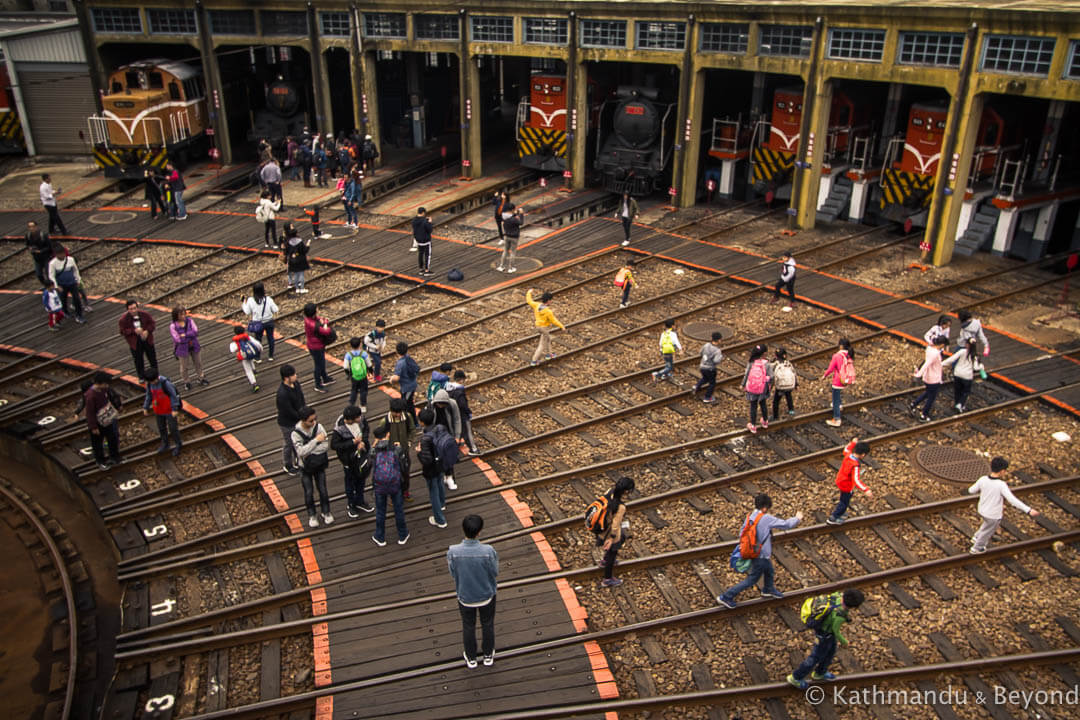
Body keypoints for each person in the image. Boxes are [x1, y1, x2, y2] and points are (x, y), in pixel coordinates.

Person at [717, 493, 803, 608]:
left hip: (753, 551)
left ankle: (768, 589)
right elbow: (786, 525)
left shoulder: (750, 516)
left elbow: (742, 532)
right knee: (752, 579)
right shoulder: (765, 518)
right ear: (764, 507)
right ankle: (726, 596)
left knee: (769, 570)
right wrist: (797, 518)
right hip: (760, 554)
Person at [786, 588, 865, 689]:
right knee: (815, 657)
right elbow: (836, 630)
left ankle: (820, 672)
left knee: (830, 652)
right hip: (824, 635)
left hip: (826, 634)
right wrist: (844, 641)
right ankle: (796, 677)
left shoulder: (837, 595)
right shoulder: (839, 615)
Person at [447, 514, 499, 668]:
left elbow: (453, 572)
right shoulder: (488, 551)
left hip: (465, 595)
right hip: (486, 594)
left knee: (468, 626)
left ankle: (471, 657)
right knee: (487, 624)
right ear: (479, 532)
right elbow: (495, 572)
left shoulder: (453, 552)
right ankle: (488, 654)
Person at [968, 457, 1040, 554]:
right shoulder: (1001, 485)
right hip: (993, 514)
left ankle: (976, 537)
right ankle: (977, 547)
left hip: (982, 509)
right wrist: (1028, 510)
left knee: (987, 524)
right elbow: (1012, 500)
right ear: (1002, 471)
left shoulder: (983, 479)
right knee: (988, 530)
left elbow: (971, 490)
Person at [292, 406, 333, 527]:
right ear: (303, 421)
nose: (314, 422)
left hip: (319, 464)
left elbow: (325, 445)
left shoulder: (319, 427)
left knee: (323, 490)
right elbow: (300, 452)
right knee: (308, 492)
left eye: (315, 419)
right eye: (311, 420)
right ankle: (312, 515)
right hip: (305, 467)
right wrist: (315, 441)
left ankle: (326, 512)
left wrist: (309, 450)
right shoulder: (296, 434)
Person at [370, 423, 409, 546]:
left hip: (379, 485)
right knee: (398, 509)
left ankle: (380, 537)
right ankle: (403, 535)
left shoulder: (374, 451)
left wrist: (373, 445)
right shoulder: (395, 449)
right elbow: (404, 466)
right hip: (395, 483)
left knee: (381, 511)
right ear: (388, 434)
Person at [332, 405, 372, 517]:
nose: (360, 418)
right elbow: (334, 445)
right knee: (350, 483)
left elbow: (366, 429)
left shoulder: (361, 420)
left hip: (362, 456)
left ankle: (360, 501)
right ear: (349, 419)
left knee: (361, 479)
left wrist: (363, 441)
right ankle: (351, 504)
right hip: (349, 460)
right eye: (357, 418)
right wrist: (352, 442)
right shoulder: (339, 429)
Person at [594, 476, 634, 587]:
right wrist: (611, 538)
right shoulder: (620, 507)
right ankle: (607, 578)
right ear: (626, 491)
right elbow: (616, 524)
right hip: (610, 531)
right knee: (613, 552)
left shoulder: (609, 492)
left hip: (602, 526)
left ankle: (605, 560)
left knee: (623, 537)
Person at [378, 397, 416, 500]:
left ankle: (405, 492)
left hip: (404, 451)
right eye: (396, 412)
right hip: (390, 455)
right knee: (393, 475)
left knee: (406, 473)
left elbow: (412, 430)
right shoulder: (385, 421)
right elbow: (379, 437)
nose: (398, 415)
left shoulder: (407, 417)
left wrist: (409, 442)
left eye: (400, 412)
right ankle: (394, 495)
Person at [83, 371, 123, 471]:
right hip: (98, 423)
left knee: (112, 438)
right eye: (105, 383)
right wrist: (93, 427)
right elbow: (90, 413)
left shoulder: (103, 390)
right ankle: (100, 461)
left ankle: (115, 457)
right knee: (97, 443)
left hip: (106, 420)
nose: (107, 385)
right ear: (100, 383)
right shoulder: (91, 396)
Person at [826, 438, 871, 524]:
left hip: (840, 480)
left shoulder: (848, 455)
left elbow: (846, 449)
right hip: (846, 485)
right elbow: (856, 480)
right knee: (844, 502)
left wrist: (853, 443)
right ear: (863, 455)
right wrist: (866, 489)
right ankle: (833, 518)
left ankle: (840, 513)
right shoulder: (855, 466)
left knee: (845, 497)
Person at [417, 408, 448, 528]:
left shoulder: (425, 438)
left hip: (431, 469)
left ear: (422, 422)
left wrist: (419, 452)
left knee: (433, 492)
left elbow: (426, 460)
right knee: (440, 483)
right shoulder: (440, 428)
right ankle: (442, 503)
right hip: (441, 463)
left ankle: (440, 520)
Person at [142, 368, 182, 456]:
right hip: (158, 410)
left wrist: (174, 408)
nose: (154, 382)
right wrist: (146, 407)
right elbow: (149, 395)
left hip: (169, 410)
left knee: (173, 428)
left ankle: (178, 444)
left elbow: (173, 395)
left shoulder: (165, 383)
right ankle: (165, 443)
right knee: (161, 428)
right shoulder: (149, 384)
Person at [276, 364, 306, 475]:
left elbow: (301, 398)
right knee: (289, 443)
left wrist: (304, 411)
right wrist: (301, 417)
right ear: (286, 377)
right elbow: (287, 411)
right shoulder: (282, 394)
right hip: (287, 423)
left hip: (298, 418)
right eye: (293, 375)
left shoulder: (296, 384)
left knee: (298, 441)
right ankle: (287, 464)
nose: (295, 376)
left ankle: (299, 460)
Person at [910, 335, 947, 421]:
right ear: (942, 344)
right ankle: (924, 414)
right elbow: (927, 364)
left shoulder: (929, 349)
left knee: (928, 392)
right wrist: (918, 374)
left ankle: (914, 404)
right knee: (931, 398)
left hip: (928, 377)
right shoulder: (935, 353)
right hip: (933, 379)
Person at [943, 337, 985, 412]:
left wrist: (941, 364)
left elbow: (951, 359)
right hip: (967, 376)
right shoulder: (975, 356)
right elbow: (976, 368)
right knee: (965, 392)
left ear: (967, 345)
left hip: (957, 373)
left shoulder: (962, 351)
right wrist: (981, 367)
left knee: (957, 390)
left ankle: (957, 403)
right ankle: (960, 404)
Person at [170, 306, 208, 390]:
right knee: (184, 366)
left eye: (184, 314)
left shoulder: (190, 321)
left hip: (193, 345)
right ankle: (186, 381)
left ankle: (201, 377)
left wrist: (185, 335)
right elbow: (177, 339)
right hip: (182, 348)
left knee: (198, 362)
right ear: (176, 316)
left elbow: (196, 331)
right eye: (181, 315)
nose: (183, 316)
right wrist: (189, 335)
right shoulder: (173, 326)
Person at [526, 289, 567, 366]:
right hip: (544, 328)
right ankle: (534, 360)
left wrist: (529, 292)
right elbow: (554, 320)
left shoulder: (537, 305)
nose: (551, 301)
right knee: (542, 344)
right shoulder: (548, 311)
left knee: (547, 339)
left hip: (538, 326)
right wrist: (562, 326)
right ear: (548, 301)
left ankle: (549, 355)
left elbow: (529, 301)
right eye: (551, 300)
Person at [119, 300, 158, 381]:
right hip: (135, 342)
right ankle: (141, 376)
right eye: (131, 309)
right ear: (127, 310)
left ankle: (155, 374)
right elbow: (122, 331)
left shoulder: (145, 314)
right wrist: (133, 331)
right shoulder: (123, 319)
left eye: (134, 308)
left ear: (137, 307)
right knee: (138, 360)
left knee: (152, 357)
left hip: (147, 339)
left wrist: (147, 331)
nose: (133, 311)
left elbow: (152, 324)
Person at [431, 387, 462, 490]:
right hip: (436, 434)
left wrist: (457, 436)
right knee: (438, 456)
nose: (440, 406)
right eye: (439, 404)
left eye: (442, 404)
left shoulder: (452, 404)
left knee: (448, 456)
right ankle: (443, 476)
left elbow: (457, 420)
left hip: (448, 433)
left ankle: (449, 477)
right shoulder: (431, 406)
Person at [242, 282, 279, 362]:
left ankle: (258, 357)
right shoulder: (268, 299)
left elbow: (247, 312)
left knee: (258, 340)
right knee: (270, 339)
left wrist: (243, 303)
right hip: (269, 322)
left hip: (257, 324)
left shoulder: (251, 300)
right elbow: (276, 309)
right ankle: (271, 356)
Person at [821, 338, 854, 427]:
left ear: (841, 346)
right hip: (846, 379)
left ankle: (837, 419)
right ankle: (839, 406)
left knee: (835, 398)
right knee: (838, 394)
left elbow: (831, 368)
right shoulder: (849, 354)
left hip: (838, 380)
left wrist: (824, 375)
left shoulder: (837, 356)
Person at [303, 303, 335, 393]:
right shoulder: (313, 325)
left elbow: (320, 319)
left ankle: (325, 378)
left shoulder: (309, 319)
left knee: (322, 362)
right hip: (316, 347)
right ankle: (318, 384)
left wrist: (323, 321)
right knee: (318, 365)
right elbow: (326, 331)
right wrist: (325, 324)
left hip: (316, 345)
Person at [47, 247, 85, 323]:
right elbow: (51, 276)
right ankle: (65, 312)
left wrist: (78, 280)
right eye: (60, 254)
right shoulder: (52, 263)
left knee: (77, 299)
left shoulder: (70, 260)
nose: (62, 255)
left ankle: (79, 315)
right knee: (63, 299)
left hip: (72, 283)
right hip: (62, 285)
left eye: (63, 253)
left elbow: (75, 270)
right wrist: (56, 286)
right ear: (56, 255)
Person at [447, 369, 479, 456]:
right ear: (461, 380)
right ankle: (473, 449)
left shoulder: (449, 389)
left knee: (456, 430)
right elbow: (463, 405)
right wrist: (468, 412)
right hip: (462, 415)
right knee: (468, 431)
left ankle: (455, 445)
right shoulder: (460, 392)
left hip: (453, 414)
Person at [742, 344, 773, 433]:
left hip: (752, 388)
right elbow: (772, 376)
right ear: (764, 353)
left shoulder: (751, 362)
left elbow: (746, 374)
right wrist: (768, 383)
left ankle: (753, 425)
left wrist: (743, 384)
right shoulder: (767, 364)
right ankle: (765, 422)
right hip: (763, 388)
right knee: (763, 403)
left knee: (753, 406)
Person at [390, 340, 420, 419]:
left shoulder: (400, 363)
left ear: (396, 351)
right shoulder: (408, 357)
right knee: (408, 403)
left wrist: (391, 380)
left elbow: (396, 378)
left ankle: (413, 422)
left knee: (407, 404)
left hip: (407, 387)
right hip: (412, 383)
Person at [693, 331, 724, 404]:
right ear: (719, 340)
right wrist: (721, 357)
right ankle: (707, 397)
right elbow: (716, 361)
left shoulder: (706, 345)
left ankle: (696, 386)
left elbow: (700, 352)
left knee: (705, 378)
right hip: (710, 369)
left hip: (702, 366)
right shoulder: (717, 350)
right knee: (712, 383)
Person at [229, 325, 263, 392]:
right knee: (251, 359)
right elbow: (257, 344)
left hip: (244, 356)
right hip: (251, 352)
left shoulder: (236, 341)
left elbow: (232, 350)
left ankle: (254, 384)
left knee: (248, 370)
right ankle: (254, 370)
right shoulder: (248, 337)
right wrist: (260, 349)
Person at [343, 336, 372, 412]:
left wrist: (349, 374)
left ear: (351, 345)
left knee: (354, 390)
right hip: (363, 376)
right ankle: (363, 405)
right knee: (363, 390)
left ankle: (351, 404)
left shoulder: (348, 355)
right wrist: (370, 371)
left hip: (354, 376)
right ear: (360, 345)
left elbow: (345, 366)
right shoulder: (363, 353)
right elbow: (369, 364)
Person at [771, 347, 798, 419]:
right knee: (789, 397)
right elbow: (794, 373)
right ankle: (791, 411)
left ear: (776, 356)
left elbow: (772, 375)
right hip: (789, 385)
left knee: (776, 401)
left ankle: (775, 416)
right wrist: (796, 384)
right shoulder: (788, 364)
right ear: (785, 355)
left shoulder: (775, 364)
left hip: (780, 386)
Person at [283, 224, 311, 293]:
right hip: (301, 259)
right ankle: (302, 288)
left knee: (295, 274)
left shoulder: (288, 242)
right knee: (301, 274)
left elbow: (286, 252)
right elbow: (304, 251)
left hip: (292, 260)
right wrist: (308, 244)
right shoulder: (299, 241)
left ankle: (297, 288)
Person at [25, 220, 52, 287]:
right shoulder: (28, 236)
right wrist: (30, 248)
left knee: (48, 273)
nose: (31, 228)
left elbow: (49, 247)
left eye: (33, 226)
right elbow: (27, 244)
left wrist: (41, 251)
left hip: (46, 257)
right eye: (30, 227)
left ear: (36, 227)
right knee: (39, 274)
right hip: (37, 258)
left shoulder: (43, 235)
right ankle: (46, 285)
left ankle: (51, 286)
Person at [496, 207, 522, 273]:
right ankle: (511, 268)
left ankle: (501, 266)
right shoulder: (514, 219)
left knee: (505, 251)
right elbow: (521, 222)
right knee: (513, 252)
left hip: (506, 236)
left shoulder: (504, 218)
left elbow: (511, 217)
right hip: (514, 237)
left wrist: (515, 214)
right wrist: (521, 214)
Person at [413, 207, 433, 276]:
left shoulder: (414, 220)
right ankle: (427, 270)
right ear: (423, 213)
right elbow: (429, 230)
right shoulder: (425, 221)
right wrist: (430, 222)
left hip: (418, 240)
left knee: (420, 254)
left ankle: (421, 269)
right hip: (426, 240)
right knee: (427, 255)